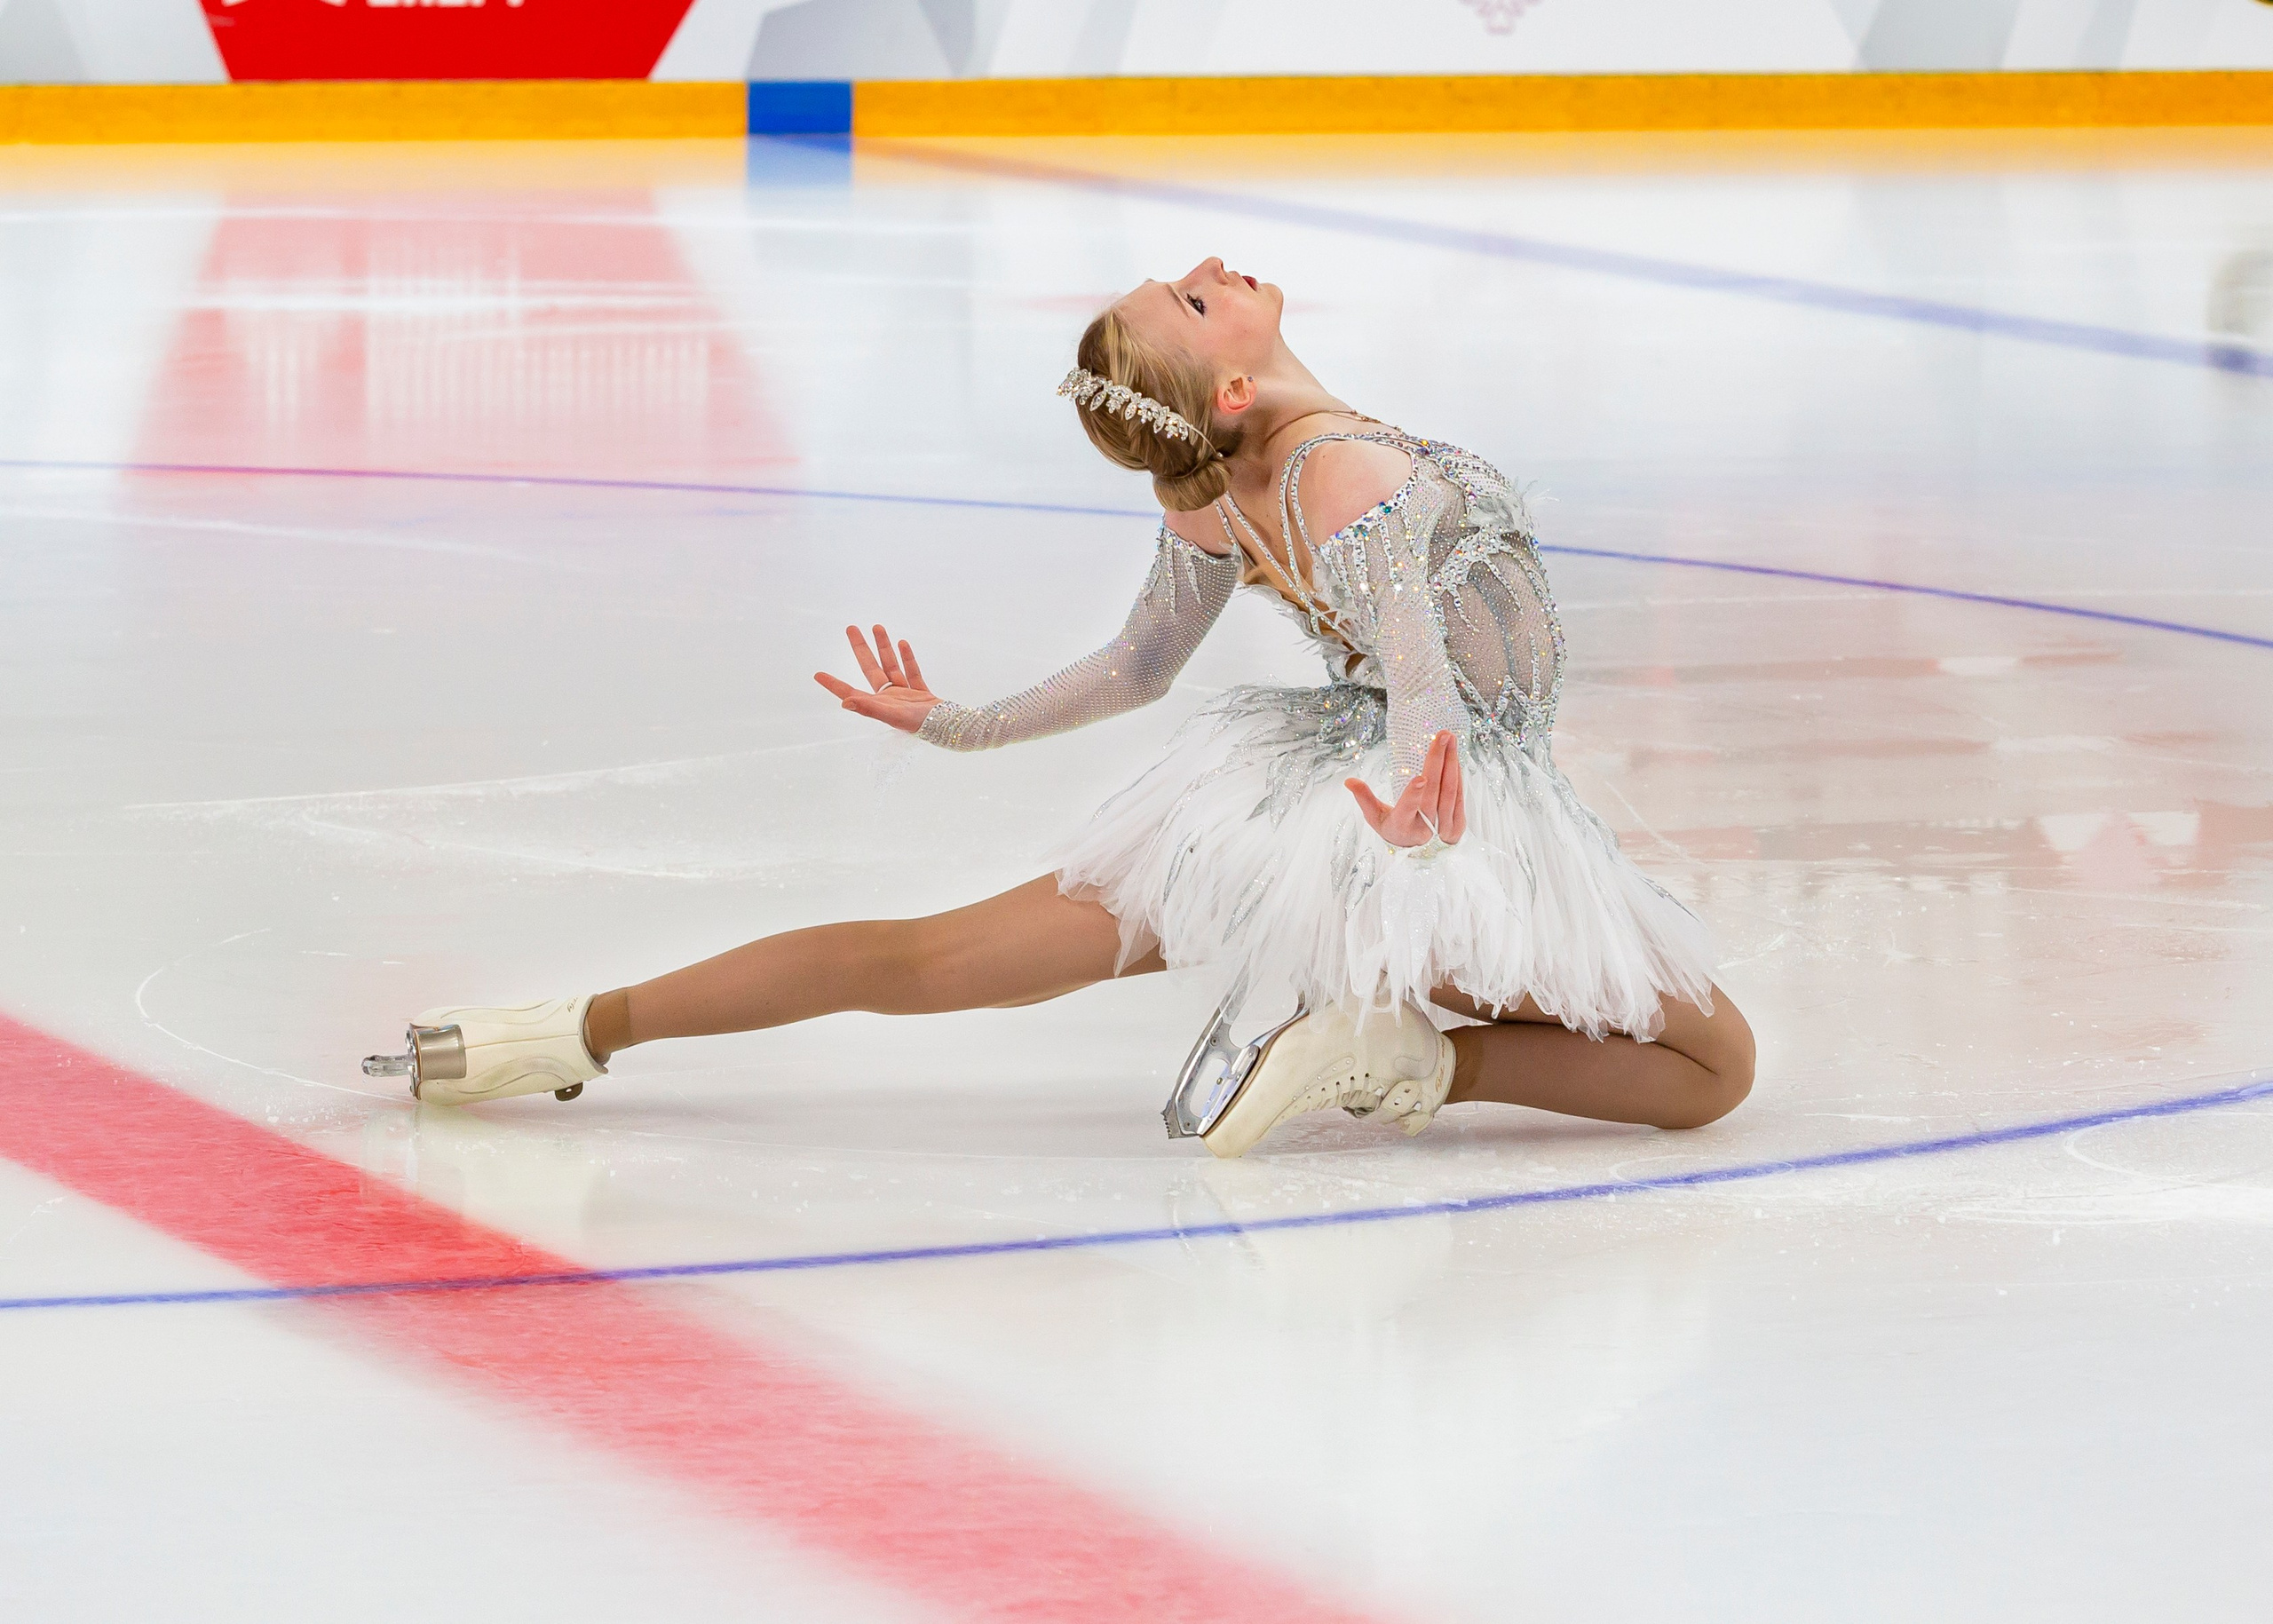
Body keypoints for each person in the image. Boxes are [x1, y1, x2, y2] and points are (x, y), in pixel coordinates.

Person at [365, 257, 1754, 1158]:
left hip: (1297, 808)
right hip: (1420, 825)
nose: (1212, 272)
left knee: (920, 960)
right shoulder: (1338, 470)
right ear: (1225, 382)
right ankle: (1394, 1058)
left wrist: (955, 724)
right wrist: (1418, 797)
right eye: (1196, 301)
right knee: (1711, 1067)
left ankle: (559, 1032)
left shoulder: (1210, 486)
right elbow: (1415, 651)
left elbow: (1138, 668)